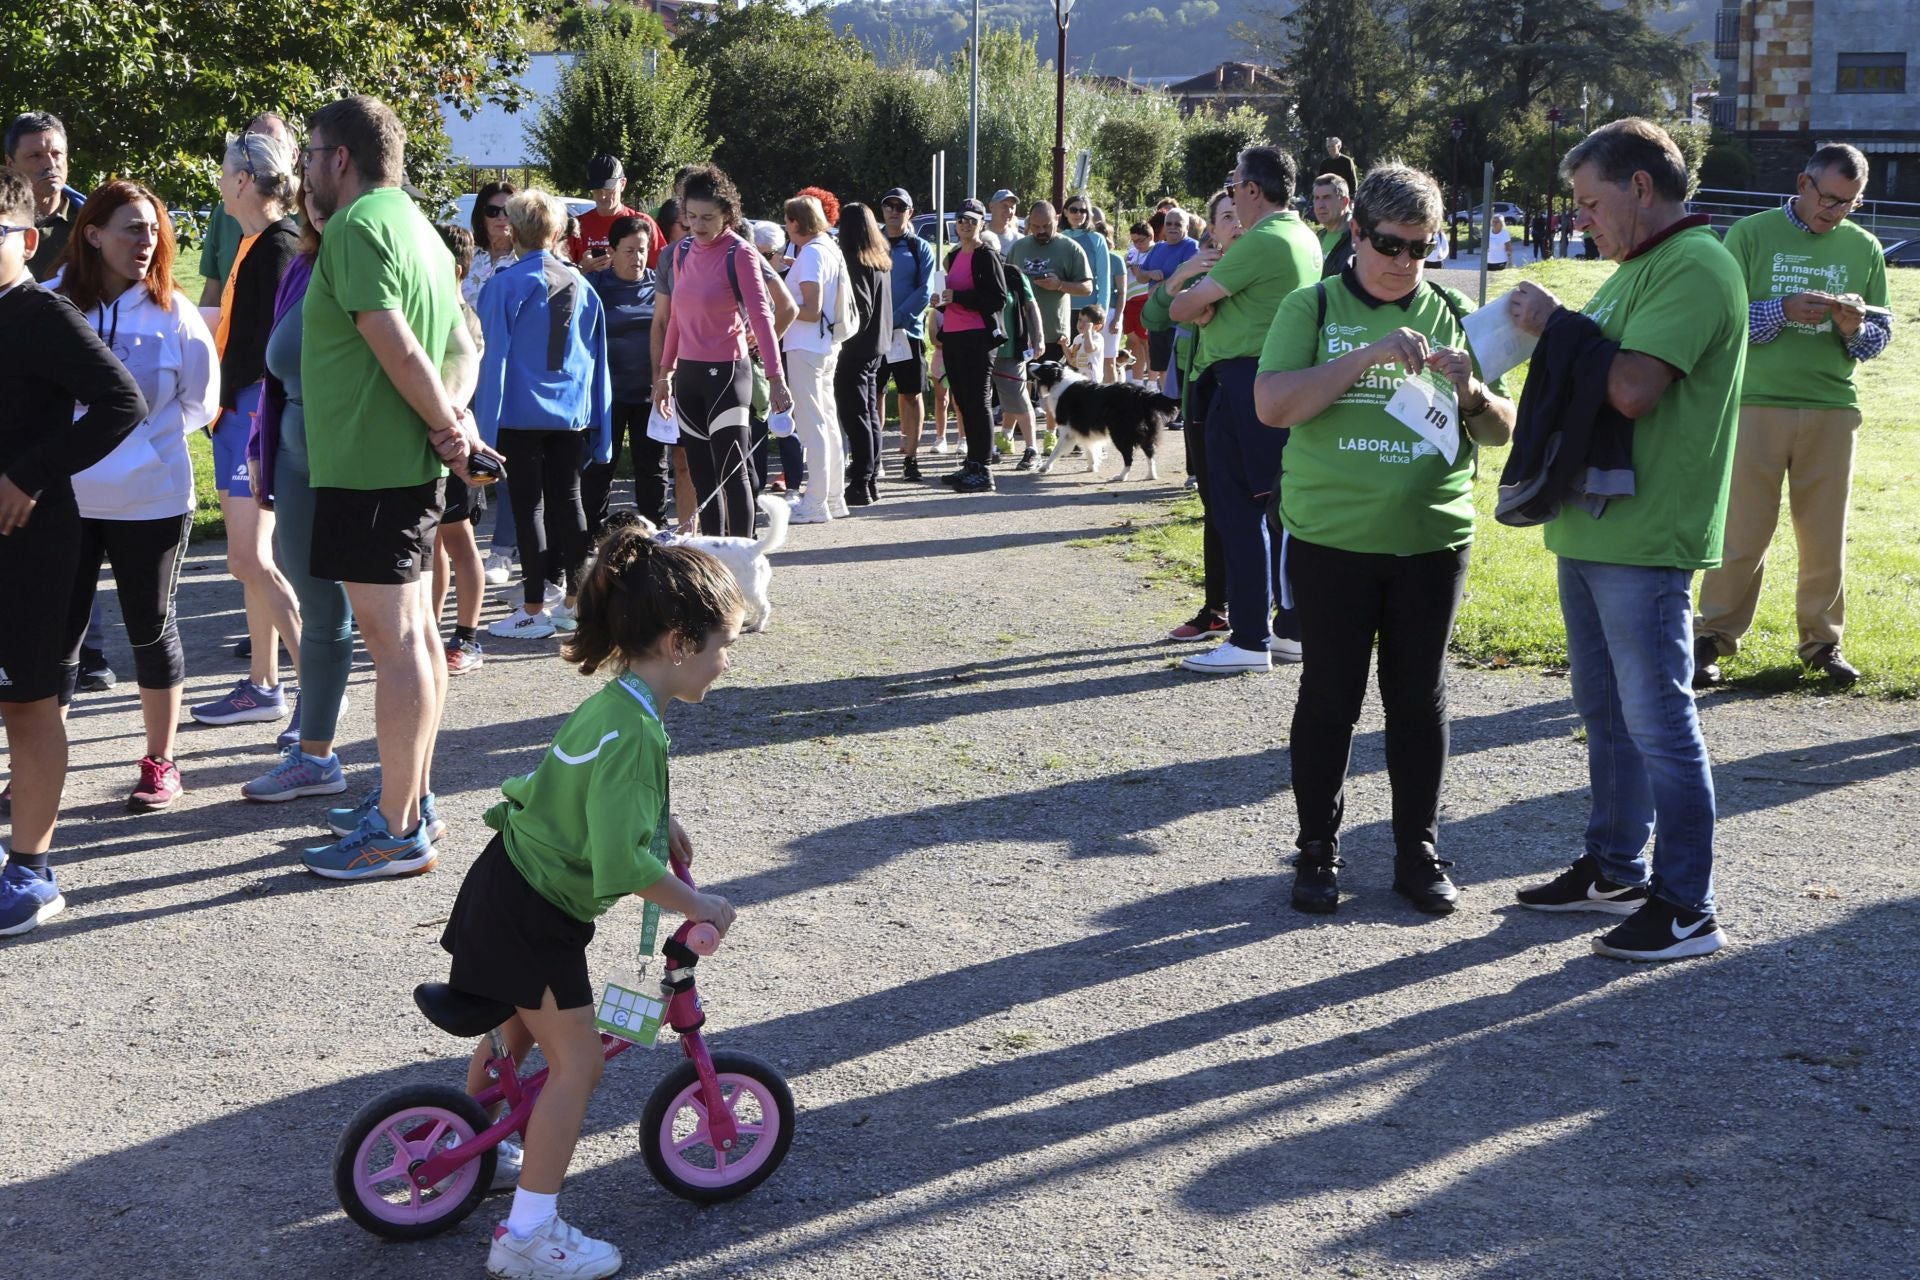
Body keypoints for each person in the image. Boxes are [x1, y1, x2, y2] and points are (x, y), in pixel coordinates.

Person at [438, 524, 741, 1280]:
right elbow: (620, 863)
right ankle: (529, 1236)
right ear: (678, 642)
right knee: (578, 1065)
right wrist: (699, 905)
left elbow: (580, 792)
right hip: (535, 913)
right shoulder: (637, 730)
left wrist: (656, 819)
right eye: (720, 645)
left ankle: (464, 1144)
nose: (725, 660)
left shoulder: (617, 704)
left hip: (505, 883)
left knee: (518, 1028)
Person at [1505, 117, 1747, 962]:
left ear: (1640, 187)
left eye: (1590, 202)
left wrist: (1558, 325)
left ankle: (1688, 906)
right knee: (1606, 713)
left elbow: (1635, 389)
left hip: (1646, 535)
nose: (1582, 221)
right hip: (1599, 523)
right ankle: (1615, 867)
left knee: (1659, 721)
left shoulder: (1698, 265)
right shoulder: (1639, 268)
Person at [1255, 164, 1517, 914]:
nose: (1405, 262)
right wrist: (1366, 355)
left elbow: (1503, 429)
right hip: (1333, 538)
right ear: (1357, 233)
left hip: (1432, 539)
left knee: (1417, 699)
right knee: (1331, 696)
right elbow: (1273, 404)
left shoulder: (1454, 311)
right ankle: (1316, 852)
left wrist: (1472, 390)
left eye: (1422, 248)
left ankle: (1418, 851)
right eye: (1392, 244)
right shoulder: (1315, 306)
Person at [297, 94, 500, 880]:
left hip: (372, 466)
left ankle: (396, 826)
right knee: (414, 640)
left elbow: (396, 340)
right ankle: (409, 798)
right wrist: (453, 423)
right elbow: (463, 342)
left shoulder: (354, 227)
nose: (306, 170)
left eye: (311, 155)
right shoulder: (418, 226)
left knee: (399, 645)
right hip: (403, 466)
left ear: (339, 158)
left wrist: (448, 429)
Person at [0, 167, 148, 936]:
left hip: (29, 542)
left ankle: (31, 871)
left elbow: (124, 402)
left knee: (27, 703)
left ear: (25, 239)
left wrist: (28, 475)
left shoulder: (40, 313)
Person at [1694, 144, 1893, 691]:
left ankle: (1822, 645)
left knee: (1825, 536)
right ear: (1804, 183)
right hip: (1754, 403)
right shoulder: (1751, 235)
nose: (1836, 212)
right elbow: (1720, 321)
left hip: (1831, 409)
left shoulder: (1865, 247)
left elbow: (1880, 336)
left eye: (1849, 203)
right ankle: (1712, 637)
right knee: (1741, 532)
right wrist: (1778, 311)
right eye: (1829, 198)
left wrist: (1853, 329)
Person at [53, 182, 219, 811]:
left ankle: (160, 760)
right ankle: (44, 760)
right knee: (57, 635)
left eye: (153, 230)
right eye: (132, 229)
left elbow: (201, 402)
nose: (146, 242)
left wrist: (141, 444)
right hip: (65, 496)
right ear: (93, 234)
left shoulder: (175, 312)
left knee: (150, 627)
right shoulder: (51, 306)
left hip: (151, 496)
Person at [1168, 145, 1323, 674]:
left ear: (1253, 190)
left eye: (1234, 182)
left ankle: (1250, 637)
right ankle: (1288, 629)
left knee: (1238, 513)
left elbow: (1182, 305)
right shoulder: (1303, 235)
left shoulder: (1261, 240)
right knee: (1279, 512)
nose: (1231, 190)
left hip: (1242, 382)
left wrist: (1203, 307)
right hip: (1278, 378)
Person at [238, 184, 362, 804]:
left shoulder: (376, 265)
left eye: (331, 198)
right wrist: (261, 452)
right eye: (312, 198)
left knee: (395, 624)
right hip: (292, 460)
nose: (318, 206)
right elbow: (273, 372)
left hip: (367, 466)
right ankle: (315, 752)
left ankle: (407, 792)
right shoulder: (302, 267)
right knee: (320, 610)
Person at [191, 131, 308, 737]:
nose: (217, 180)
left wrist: (259, 427)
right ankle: (264, 683)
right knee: (249, 561)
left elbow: (279, 350)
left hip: (254, 416)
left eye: (222, 170)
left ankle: (315, 688)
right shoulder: (256, 241)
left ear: (242, 180)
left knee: (250, 557)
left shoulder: (278, 245)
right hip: (238, 413)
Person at [476, 189, 612, 641]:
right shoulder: (583, 285)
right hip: (570, 413)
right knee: (569, 504)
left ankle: (534, 607)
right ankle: (574, 604)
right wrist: (603, 428)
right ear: (557, 232)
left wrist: (482, 431)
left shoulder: (503, 284)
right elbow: (598, 362)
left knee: (527, 507)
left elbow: (491, 360)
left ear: (513, 230)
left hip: (519, 414)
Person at [653, 166, 789, 537]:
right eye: (691, 216)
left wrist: (776, 379)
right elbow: (677, 318)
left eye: (707, 218)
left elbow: (763, 317)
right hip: (689, 377)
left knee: (731, 472)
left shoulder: (740, 253)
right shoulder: (681, 253)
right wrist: (665, 374)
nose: (697, 225)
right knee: (701, 478)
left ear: (727, 214)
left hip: (728, 374)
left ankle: (742, 558)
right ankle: (715, 561)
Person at [1144, 189, 1234, 639]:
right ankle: (1217, 607)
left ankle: (1265, 608)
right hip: (1199, 386)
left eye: (1240, 215)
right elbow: (1156, 316)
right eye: (1225, 217)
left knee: (1251, 507)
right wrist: (1182, 276)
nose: (1235, 224)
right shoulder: (1202, 265)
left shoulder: (1256, 263)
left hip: (1241, 390)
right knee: (1212, 505)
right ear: (1211, 229)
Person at [430, 224, 490, 676]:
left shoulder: (462, 316)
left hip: (455, 446)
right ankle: (429, 629)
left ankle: (467, 637)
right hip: (429, 445)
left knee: (460, 541)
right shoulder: (431, 307)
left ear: (455, 267)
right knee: (432, 544)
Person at [586, 215, 665, 532]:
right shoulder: (595, 287)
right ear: (613, 251)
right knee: (600, 466)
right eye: (629, 250)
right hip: (608, 394)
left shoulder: (659, 285)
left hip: (650, 391)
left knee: (653, 469)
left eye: (643, 250)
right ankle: (590, 536)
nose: (638, 257)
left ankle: (657, 534)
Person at [782, 195, 850, 523]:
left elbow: (810, 309)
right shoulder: (827, 247)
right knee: (827, 422)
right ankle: (833, 498)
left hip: (806, 346)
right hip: (824, 345)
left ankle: (815, 502)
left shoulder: (810, 253)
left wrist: (777, 305)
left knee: (813, 426)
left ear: (796, 222)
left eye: (787, 220)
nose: (785, 226)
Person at [466, 180, 521, 586]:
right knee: (470, 465)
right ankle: (462, 543)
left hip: (512, 375)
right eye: (492, 210)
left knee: (510, 465)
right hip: (467, 374)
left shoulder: (528, 261)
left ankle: (503, 551)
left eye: (507, 210)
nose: (500, 218)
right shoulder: (468, 260)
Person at [936, 198, 1009, 494]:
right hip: (953, 336)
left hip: (978, 338)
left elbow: (997, 299)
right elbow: (951, 296)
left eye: (971, 220)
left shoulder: (986, 255)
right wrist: (940, 303)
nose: (965, 224)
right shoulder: (953, 256)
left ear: (982, 223)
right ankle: (971, 464)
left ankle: (984, 469)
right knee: (963, 402)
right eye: (961, 219)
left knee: (978, 402)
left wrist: (959, 298)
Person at [197, 113, 295, 307]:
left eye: (274, 144)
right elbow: (212, 297)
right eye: (253, 142)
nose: (264, 151)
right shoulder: (224, 216)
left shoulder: (289, 239)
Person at [834, 202, 893, 506]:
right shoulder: (879, 259)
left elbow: (862, 308)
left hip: (856, 348)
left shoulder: (855, 260)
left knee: (856, 415)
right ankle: (868, 481)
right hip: (877, 345)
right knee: (868, 414)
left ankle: (861, 480)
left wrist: (841, 337)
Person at [879, 188, 935, 480]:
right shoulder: (872, 244)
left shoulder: (919, 247)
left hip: (906, 333)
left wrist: (896, 318)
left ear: (910, 212)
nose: (894, 211)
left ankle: (911, 458)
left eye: (900, 206)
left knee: (910, 395)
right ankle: (873, 457)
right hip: (874, 334)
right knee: (872, 395)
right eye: (889, 205)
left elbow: (925, 290)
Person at [5, 113, 83, 280]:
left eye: (56, 153)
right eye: (35, 156)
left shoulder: (93, 223)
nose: (50, 164)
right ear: (11, 164)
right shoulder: (5, 225)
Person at [992, 239, 1045, 470]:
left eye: (989, 249)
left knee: (1018, 398)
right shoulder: (970, 274)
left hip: (1011, 349)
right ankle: (989, 447)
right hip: (978, 351)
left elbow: (1031, 306)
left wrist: (1039, 337)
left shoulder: (1013, 274)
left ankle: (1032, 449)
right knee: (984, 403)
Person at [566, 153, 663, 272]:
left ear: (623, 184)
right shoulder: (576, 225)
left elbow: (664, 272)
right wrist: (581, 269)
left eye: (608, 189)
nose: (602, 196)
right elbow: (558, 277)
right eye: (597, 190)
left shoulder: (643, 223)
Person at [1139, 208, 1199, 387]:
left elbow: (1189, 278)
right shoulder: (1158, 247)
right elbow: (1141, 275)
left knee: (1176, 368)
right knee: (1162, 367)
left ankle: (1177, 408)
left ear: (1186, 226)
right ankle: (1168, 405)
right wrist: (1150, 273)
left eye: (1178, 224)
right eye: (1169, 224)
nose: (1172, 228)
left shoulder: (1192, 247)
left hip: (1177, 319)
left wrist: (1159, 288)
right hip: (1157, 318)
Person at [1060, 194, 1112, 365]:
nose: (1078, 214)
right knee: (1063, 357)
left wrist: (1100, 311)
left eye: (1083, 210)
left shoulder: (1096, 239)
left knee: (1083, 361)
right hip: (1061, 307)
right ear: (1066, 212)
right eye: (1074, 210)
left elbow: (1104, 278)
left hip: (1087, 311)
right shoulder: (1058, 237)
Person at [1311, 174, 1353, 278]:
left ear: (1344, 201)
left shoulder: (1359, 237)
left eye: (1326, 198)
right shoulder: (1318, 237)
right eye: (1316, 198)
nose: (1320, 205)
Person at [986, 188, 1020, 253]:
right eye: (1004, 206)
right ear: (991, 206)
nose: (1009, 211)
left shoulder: (1019, 241)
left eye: (1012, 207)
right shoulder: (978, 237)